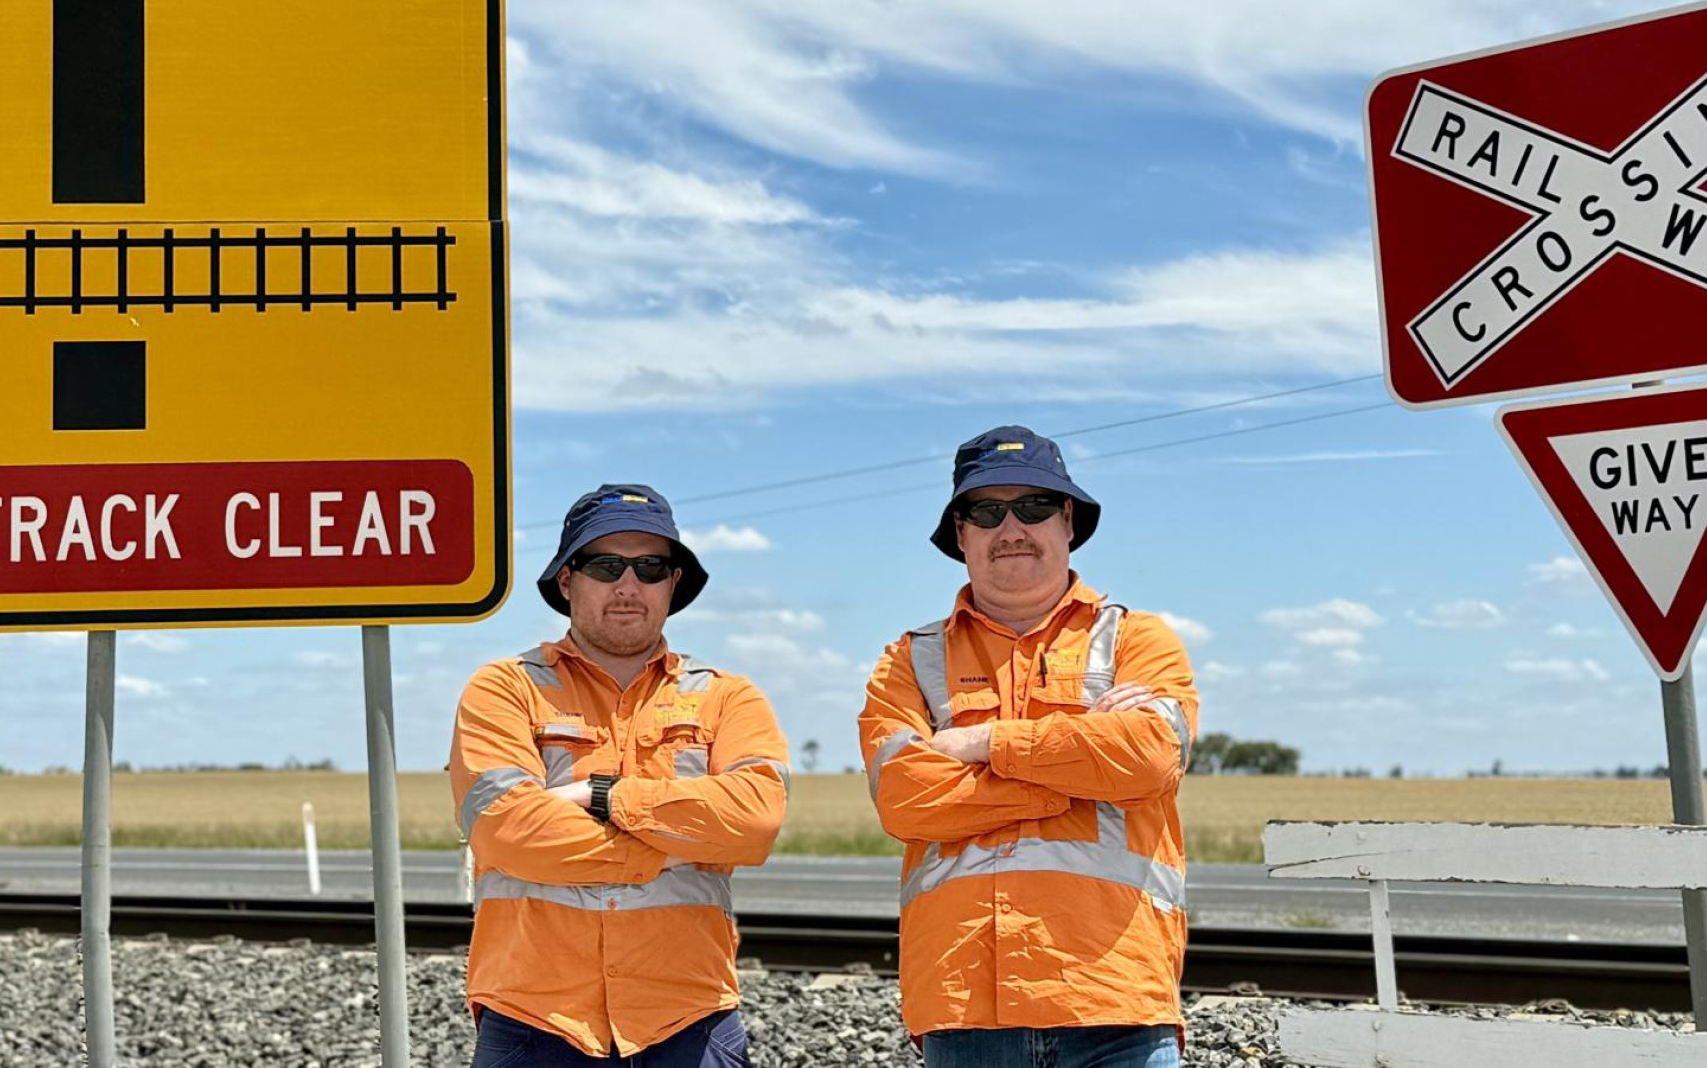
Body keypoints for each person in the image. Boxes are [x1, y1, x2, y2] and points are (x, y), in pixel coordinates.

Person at [858, 426, 1198, 1067]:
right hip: (965, 1010)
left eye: (1034, 506)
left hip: (1114, 998)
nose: (1011, 527)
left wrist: (985, 742)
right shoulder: (910, 660)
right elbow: (907, 800)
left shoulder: (1138, 640)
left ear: (1067, 520)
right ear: (961, 534)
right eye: (986, 511)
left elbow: (1149, 756)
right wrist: (1086, 764)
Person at [450, 484, 790, 1066]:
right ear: (566, 580)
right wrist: (677, 845)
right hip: (536, 1018)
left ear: (673, 583)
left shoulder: (727, 698)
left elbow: (754, 821)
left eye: (651, 567)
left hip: (689, 1016)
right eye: (606, 565)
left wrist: (604, 796)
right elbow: (508, 832)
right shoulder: (505, 689)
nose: (628, 585)